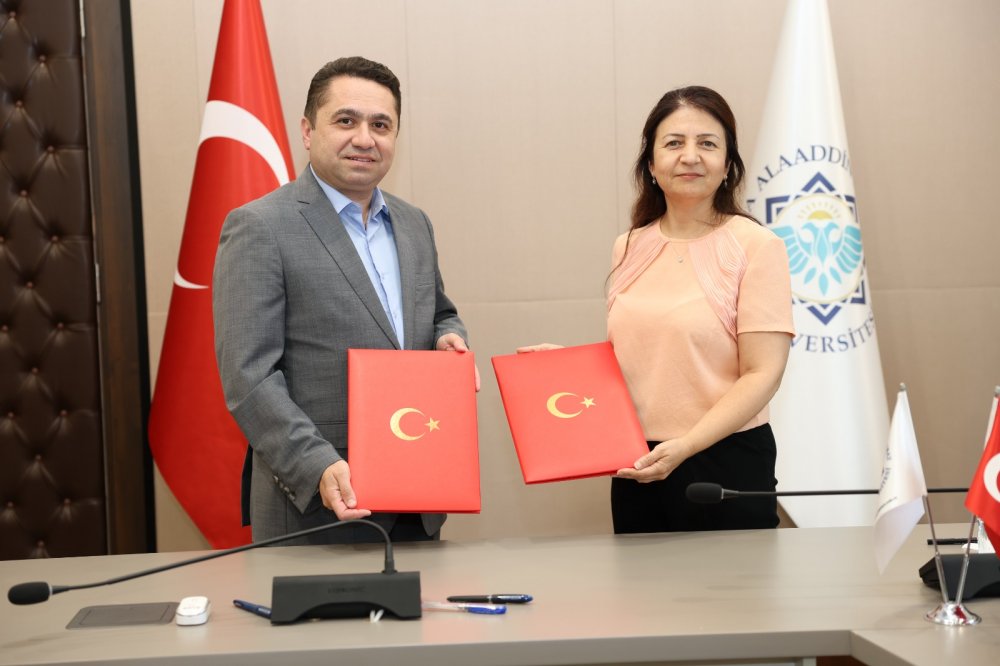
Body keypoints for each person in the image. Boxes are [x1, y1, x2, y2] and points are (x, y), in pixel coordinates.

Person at [213, 57, 475, 544]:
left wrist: (449, 337)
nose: (365, 138)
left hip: (420, 496)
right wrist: (316, 464)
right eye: (346, 120)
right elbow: (248, 376)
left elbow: (440, 312)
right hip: (317, 508)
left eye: (381, 125)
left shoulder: (414, 223)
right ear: (308, 131)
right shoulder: (260, 226)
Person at [520, 86, 793, 532]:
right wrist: (568, 368)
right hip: (637, 461)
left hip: (723, 462)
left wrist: (686, 445)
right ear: (650, 163)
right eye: (674, 143)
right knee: (640, 580)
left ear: (728, 164)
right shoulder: (629, 245)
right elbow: (638, 359)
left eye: (708, 143)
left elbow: (764, 373)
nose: (690, 156)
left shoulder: (757, 246)